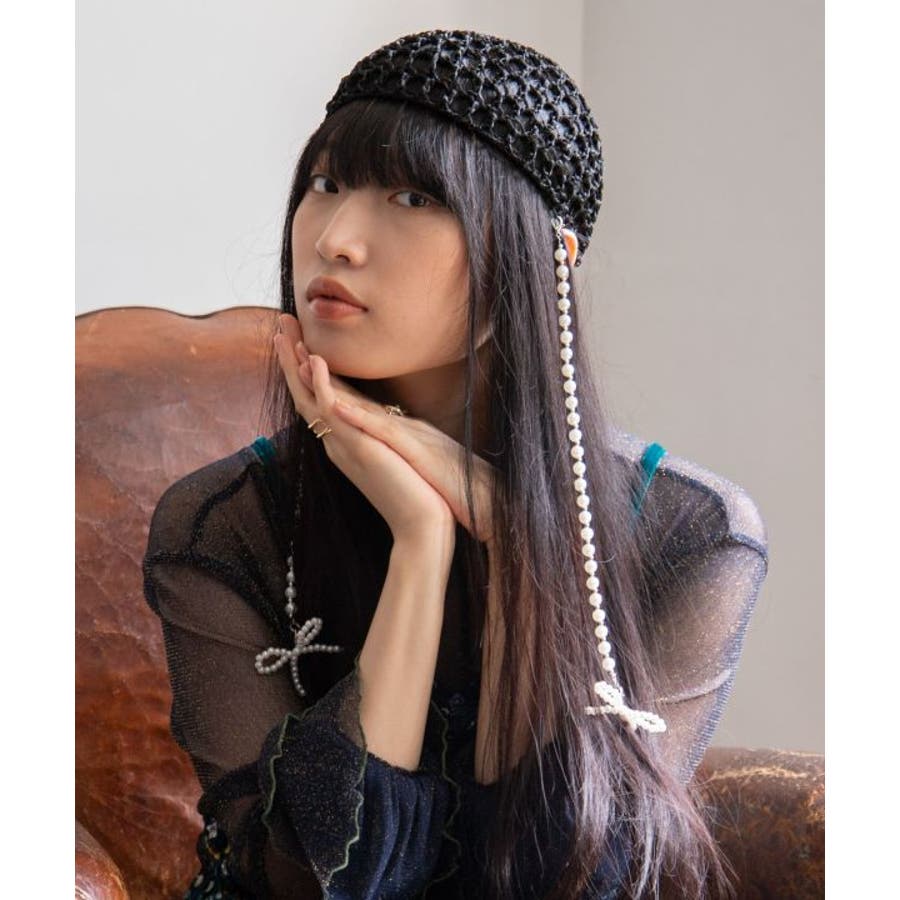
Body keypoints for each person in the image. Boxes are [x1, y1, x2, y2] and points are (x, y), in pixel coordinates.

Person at [142, 29, 769, 900]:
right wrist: (422, 540)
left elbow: (571, 875)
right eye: (325, 184)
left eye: (412, 197)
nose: (336, 239)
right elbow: (308, 880)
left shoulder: (688, 534)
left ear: (541, 258)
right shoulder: (223, 524)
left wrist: (516, 542)